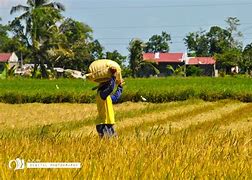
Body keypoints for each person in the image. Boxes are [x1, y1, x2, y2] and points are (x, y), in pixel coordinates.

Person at [95, 68, 123, 138]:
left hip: (108, 123)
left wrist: (120, 86)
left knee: (112, 145)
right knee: (109, 144)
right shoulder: (101, 95)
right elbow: (110, 88)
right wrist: (113, 76)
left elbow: (116, 97)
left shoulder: (106, 97)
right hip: (104, 124)